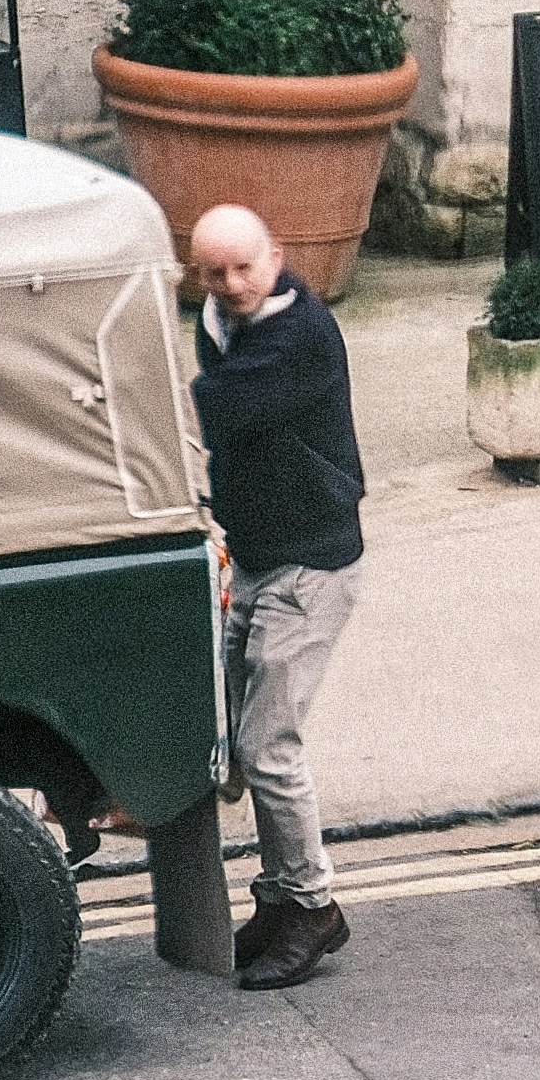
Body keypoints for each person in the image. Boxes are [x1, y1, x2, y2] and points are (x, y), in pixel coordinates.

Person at [188, 201, 366, 993]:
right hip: (257, 555)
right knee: (232, 737)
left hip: (311, 565)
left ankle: (312, 907)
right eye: (213, 271)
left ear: (277, 256)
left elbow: (210, 411)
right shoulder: (221, 322)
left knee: (267, 746)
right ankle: (276, 895)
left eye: (244, 267)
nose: (230, 285)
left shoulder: (298, 337)